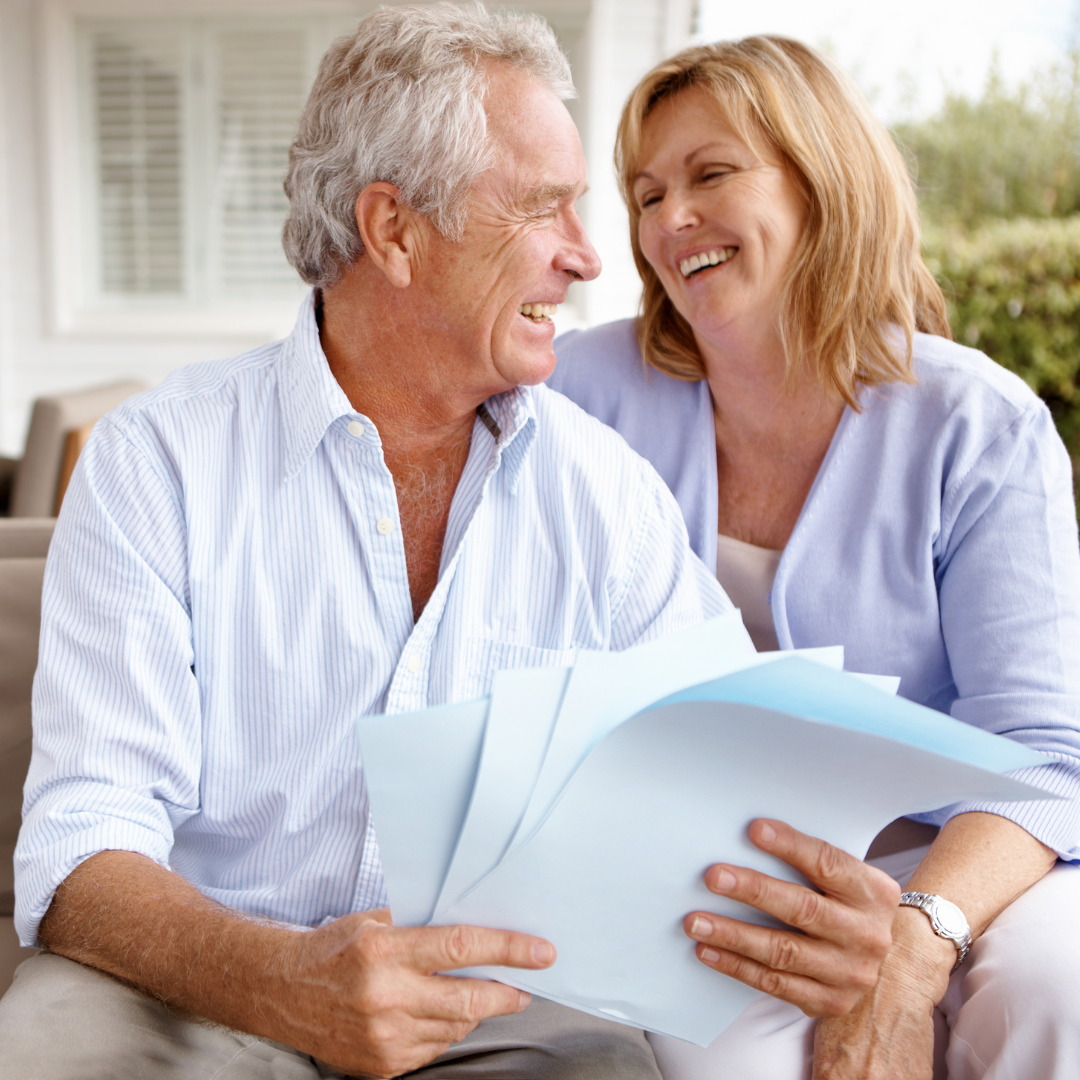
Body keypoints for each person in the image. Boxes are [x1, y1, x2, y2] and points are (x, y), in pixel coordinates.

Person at [0, 9, 903, 1079]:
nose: (588, 258)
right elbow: (81, 848)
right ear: (394, 231)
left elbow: (718, 798)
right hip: (190, 989)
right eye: (543, 208)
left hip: (503, 1015)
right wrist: (281, 979)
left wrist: (825, 917)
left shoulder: (604, 491)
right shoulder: (158, 460)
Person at [547, 35, 1080, 1080]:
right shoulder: (580, 393)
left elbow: (1044, 749)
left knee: (1053, 996)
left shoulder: (981, 421)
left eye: (709, 175)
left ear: (821, 179)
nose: (667, 222)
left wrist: (913, 948)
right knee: (726, 1062)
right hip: (718, 864)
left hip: (969, 850)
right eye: (646, 194)